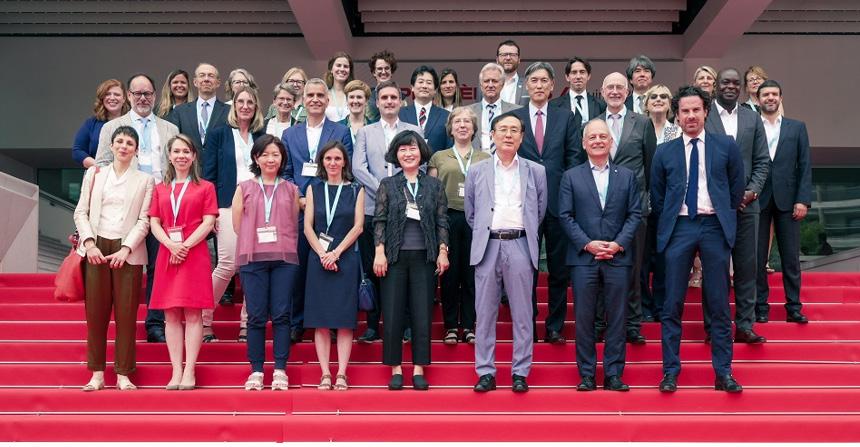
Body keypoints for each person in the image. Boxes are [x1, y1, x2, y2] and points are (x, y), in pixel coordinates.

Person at [650, 85, 745, 393]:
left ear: (705, 112)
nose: (690, 116)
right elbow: (658, 195)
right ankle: (670, 372)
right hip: (679, 227)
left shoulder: (725, 145)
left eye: (696, 110)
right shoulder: (664, 151)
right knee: (672, 303)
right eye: (685, 111)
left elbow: (736, 188)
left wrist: (722, 214)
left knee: (719, 302)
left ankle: (723, 373)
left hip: (714, 225)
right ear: (676, 116)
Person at [95, 73, 179, 344]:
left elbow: (177, 167)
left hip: (160, 206)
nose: (143, 98)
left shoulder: (170, 129)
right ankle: (121, 325)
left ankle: (154, 324)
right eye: (138, 93)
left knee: (158, 267)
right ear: (129, 96)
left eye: (148, 94)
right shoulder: (112, 127)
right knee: (124, 266)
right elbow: (101, 166)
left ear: (155, 96)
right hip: (123, 208)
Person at [559, 119, 641, 392]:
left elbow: (635, 214)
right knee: (584, 319)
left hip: (618, 257)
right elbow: (565, 216)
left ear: (610, 142)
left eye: (602, 137)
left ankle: (613, 374)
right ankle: (587, 375)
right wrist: (587, 244)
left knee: (617, 318)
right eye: (592, 137)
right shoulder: (571, 176)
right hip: (584, 258)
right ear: (584, 143)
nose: (597, 141)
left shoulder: (626, 175)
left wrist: (618, 244)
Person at [467, 113, 547, 393]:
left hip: (520, 243)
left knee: (523, 314)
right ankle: (485, 371)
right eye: (503, 129)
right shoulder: (477, 170)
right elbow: (471, 213)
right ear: (492, 135)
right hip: (488, 245)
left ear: (522, 137)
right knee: (485, 313)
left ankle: (520, 372)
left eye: (514, 130)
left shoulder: (536, 171)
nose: (508, 135)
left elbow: (539, 210)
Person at [74, 126, 154, 391]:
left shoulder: (145, 180)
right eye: (119, 141)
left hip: (127, 250)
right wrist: (89, 244)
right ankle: (96, 374)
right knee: (95, 314)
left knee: (127, 315)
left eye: (129, 143)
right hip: (96, 246)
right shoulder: (95, 174)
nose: (123, 146)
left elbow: (144, 220)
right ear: (111, 145)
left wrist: (127, 248)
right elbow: (81, 212)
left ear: (136, 150)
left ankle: (123, 374)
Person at [373, 130, 449, 391]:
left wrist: (443, 251)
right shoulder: (388, 184)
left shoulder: (433, 185)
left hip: (425, 257)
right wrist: (380, 251)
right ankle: (395, 368)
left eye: (413, 148)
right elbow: (379, 220)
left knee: (422, 313)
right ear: (396, 154)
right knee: (392, 313)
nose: (408, 153)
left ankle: (418, 368)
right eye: (403, 149)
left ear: (421, 152)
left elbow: (442, 220)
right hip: (394, 257)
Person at [510, 62, 581, 344]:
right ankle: (527, 325)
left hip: (558, 203)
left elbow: (574, 158)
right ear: (526, 85)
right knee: (525, 269)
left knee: (558, 270)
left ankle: (554, 327)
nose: (539, 85)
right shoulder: (514, 118)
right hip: (522, 204)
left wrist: (568, 196)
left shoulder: (566, 117)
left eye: (544, 81)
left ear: (552, 86)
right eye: (534, 80)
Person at [352, 80, 423, 343]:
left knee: (402, 268)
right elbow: (358, 168)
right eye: (384, 98)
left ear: (401, 101)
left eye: (394, 97)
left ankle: (405, 324)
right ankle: (373, 325)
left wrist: (398, 192)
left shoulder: (413, 130)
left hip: (406, 209)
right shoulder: (365, 132)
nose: (390, 101)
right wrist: (385, 190)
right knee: (374, 268)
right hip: (373, 209)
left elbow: (420, 164)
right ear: (377, 102)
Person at [283, 78, 353, 343]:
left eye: (320, 95)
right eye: (310, 95)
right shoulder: (290, 134)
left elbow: (346, 169)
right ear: (303, 100)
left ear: (327, 100)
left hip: (332, 211)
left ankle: (331, 321)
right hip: (300, 209)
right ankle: (297, 322)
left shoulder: (341, 131)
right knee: (299, 267)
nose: (314, 99)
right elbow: (286, 172)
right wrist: (299, 197)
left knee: (331, 267)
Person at [704, 67, 770, 344]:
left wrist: (751, 191)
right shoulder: (705, 116)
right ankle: (714, 328)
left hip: (747, 206)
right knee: (715, 269)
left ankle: (745, 325)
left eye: (734, 83)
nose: (730, 87)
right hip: (714, 208)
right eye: (725, 82)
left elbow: (762, 161)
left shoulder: (752, 118)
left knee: (747, 267)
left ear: (741, 87)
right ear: (716, 86)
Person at [231, 134, 301, 391]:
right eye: (265, 154)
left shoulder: (291, 189)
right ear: (256, 158)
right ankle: (257, 370)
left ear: (282, 159)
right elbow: (237, 225)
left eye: (276, 154)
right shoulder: (244, 187)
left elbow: (292, 221)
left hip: (284, 259)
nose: (271, 159)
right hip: (253, 259)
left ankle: (280, 368)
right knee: (256, 316)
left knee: (282, 315)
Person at [148, 134, 217, 390]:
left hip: (194, 254)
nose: (181, 156)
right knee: (171, 314)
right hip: (168, 253)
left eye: (186, 151)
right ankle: (176, 369)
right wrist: (170, 244)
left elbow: (209, 222)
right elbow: (154, 222)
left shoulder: (205, 187)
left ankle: (190, 370)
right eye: (176, 151)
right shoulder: (160, 188)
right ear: (169, 156)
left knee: (193, 313)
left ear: (194, 156)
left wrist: (185, 245)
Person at [594, 72, 657, 345]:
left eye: (620, 87)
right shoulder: (593, 122)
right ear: (602, 91)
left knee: (634, 268)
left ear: (628, 92)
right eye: (610, 87)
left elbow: (651, 165)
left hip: (635, 208)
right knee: (599, 268)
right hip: (600, 207)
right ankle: (600, 323)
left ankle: (632, 324)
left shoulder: (642, 122)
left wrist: (646, 201)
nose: (615, 91)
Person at [202, 86, 266, 342]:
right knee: (227, 264)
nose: (245, 106)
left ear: (256, 106)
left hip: (259, 206)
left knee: (253, 266)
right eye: (241, 101)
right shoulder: (218, 134)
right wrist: (211, 211)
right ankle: (203, 319)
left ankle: (247, 325)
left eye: (250, 102)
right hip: (228, 205)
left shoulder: (261, 135)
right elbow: (208, 175)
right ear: (234, 105)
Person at [303, 142, 365, 391]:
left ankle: (341, 373)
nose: (333, 163)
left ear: (345, 162)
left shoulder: (356, 189)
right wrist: (322, 253)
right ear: (322, 161)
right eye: (328, 158)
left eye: (337, 158)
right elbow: (307, 226)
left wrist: (336, 253)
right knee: (320, 319)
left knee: (344, 319)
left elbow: (358, 226)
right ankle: (325, 373)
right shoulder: (313, 188)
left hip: (345, 258)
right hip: (318, 259)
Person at [429, 107, 490, 344]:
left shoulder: (485, 158)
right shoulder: (439, 157)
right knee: (450, 275)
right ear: (451, 128)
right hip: (447, 218)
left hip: (477, 219)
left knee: (472, 274)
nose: (462, 125)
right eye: (457, 122)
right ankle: (451, 326)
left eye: (467, 122)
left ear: (474, 129)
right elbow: (432, 191)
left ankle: (469, 326)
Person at [754, 80, 812, 324]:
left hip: (789, 200)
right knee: (757, 258)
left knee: (790, 257)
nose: (770, 97)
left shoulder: (796, 127)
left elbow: (804, 165)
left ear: (780, 98)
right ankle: (760, 307)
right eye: (765, 94)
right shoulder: (751, 126)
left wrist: (803, 200)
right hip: (757, 199)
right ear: (758, 99)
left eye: (774, 94)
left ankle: (794, 307)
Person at [168, 63, 229, 153]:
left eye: (211, 76)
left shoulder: (229, 111)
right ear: (195, 82)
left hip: (219, 162)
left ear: (218, 83)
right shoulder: (180, 111)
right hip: (190, 161)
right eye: (202, 75)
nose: (206, 79)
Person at [73, 79, 129, 168]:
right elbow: (78, 151)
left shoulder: (132, 121)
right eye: (107, 94)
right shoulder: (91, 123)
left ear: (124, 99)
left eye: (117, 94)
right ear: (102, 98)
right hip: (99, 173)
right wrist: (100, 166)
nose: (112, 98)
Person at [467, 63, 521, 152]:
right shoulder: (468, 112)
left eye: (495, 81)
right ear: (481, 85)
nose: (490, 85)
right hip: (476, 159)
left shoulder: (516, 111)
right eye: (486, 81)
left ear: (502, 84)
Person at [399, 65, 452, 153]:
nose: (424, 86)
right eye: (421, 82)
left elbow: (449, 148)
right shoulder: (400, 114)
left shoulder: (446, 116)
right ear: (412, 87)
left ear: (435, 90)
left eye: (429, 83)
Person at [549, 57, 606, 126]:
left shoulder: (600, 105)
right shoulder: (554, 105)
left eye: (582, 72)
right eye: (574, 72)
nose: (578, 76)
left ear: (588, 76)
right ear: (567, 77)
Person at [366, 50, 399, 123]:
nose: (383, 72)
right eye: (380, 69)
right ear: (374, 72)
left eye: (387, 68)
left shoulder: (401, 99)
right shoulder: (367, 98)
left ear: (391, 71)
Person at [496, 39, 529, 106]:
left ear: (519, 60)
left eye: (512, 55)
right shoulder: (487, 84)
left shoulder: (528, 84)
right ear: (497, 59)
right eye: (504, 54)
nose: (508, 58)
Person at [324, 52, 355, 122]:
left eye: (346, 66)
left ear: (350, 71)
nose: (342, 69)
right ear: (331, 69)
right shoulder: (323, 94)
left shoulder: (355, 96)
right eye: (338, 65)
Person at [340, 79, 372, 144]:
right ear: (346, 100)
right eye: (351, 97)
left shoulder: (375, 128)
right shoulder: (336, 128)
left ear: (366, 101)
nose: (355, 101)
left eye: (359, 97)